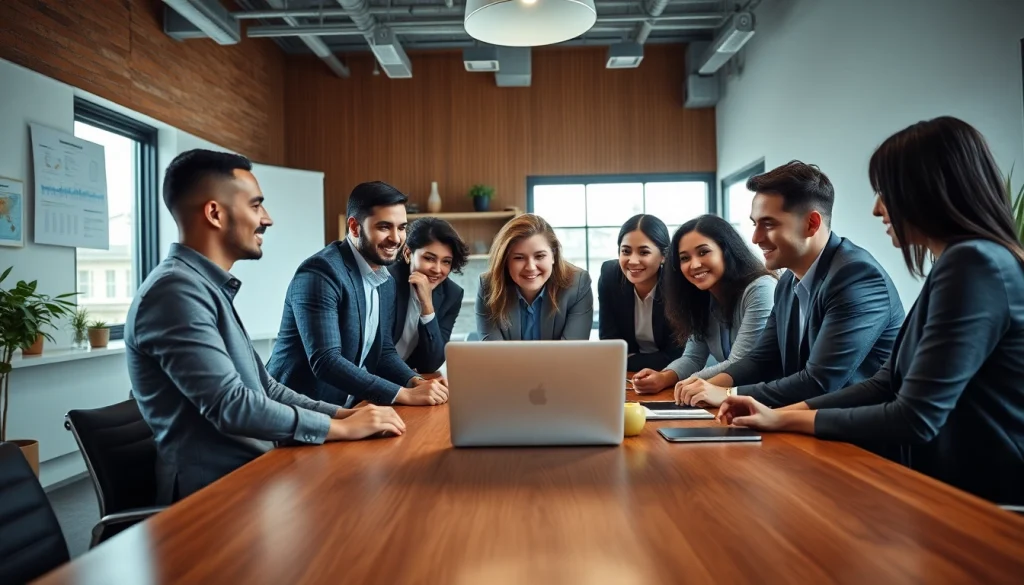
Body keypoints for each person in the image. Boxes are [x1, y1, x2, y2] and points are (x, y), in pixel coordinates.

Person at [718, 117, 1024, 505]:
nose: (878, 209)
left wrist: (783, 418)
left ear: (929, 191)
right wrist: (776, 414)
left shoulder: (974, 265)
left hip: (986, 501)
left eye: (885, 191)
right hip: (952, 488)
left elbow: (913, 416)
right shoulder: (959, 263)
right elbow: (886, 383)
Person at [125, 150, 405, 503]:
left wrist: (344, 414)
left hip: (258, 470)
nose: (267, 219)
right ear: (214, 213)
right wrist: (340, 428)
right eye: (256, 206)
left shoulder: (205, 288)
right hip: (215, 496)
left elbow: (266, 388)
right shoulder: (175, 292)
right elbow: (231, 405)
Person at [677, 161, 904, 408]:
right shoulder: (787, 280)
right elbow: (761, 358)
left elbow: (820, 381)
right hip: (805, 423)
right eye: (755, 224)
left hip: (859, 436)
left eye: (769, 224)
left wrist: (729, 395)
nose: (756, 238)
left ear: (811, 224)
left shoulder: (856, 275)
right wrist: (712, 386)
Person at [267, 181, 449, 409]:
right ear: (354, 227)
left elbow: (383, 352)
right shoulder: (321, 272)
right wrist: (402, 394)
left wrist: (416, 383)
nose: (396, 238)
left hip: (343, 410)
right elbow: (326, 361)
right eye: (384, 227)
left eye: (401, 227)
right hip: (291, 413)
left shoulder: (385, 279)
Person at [631, 215, 777, 395]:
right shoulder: (703, 298)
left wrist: (693, 383)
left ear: (726, 251)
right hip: (729, 399)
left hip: (767, 401)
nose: (694, 264)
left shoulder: (760, 288)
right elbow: (692, 358)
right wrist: (663, 377)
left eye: (703, 252)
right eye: (684, 258)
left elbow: (741, 362)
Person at [475, 213, 593, 341]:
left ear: (554, 255)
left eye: (540, 256)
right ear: (505, 260)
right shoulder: (488, 286)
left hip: (561, 362)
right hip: (506, 362)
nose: (530, 267)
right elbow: (493, 354)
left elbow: (573, 352)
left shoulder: (578, 284)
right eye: (519, 258)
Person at [597, 214, 684, 372]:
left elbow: (677, 355)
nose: (633, 261)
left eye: (644, 252)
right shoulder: (610, 276)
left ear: (664, 256)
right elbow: (609, 345)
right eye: (626, 251)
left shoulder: (678, 284)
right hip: (625, 377)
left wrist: (628, 360)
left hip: (672, 374)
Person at [388, 217, 469, 373]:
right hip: (366, 381)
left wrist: (427, 305)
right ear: (407, 254)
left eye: (446, 261)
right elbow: (377, 353)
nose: (438, 270)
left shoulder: (452, 294)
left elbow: (432, 363)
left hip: (406, 381)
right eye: (429, 258)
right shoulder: (385, 281)